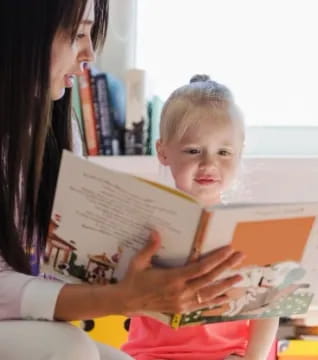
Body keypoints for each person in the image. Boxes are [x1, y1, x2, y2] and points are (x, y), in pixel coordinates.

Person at [0, 2, 244, 359]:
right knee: (70, 349)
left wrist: (140, 283)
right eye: (78, 34)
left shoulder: (54, 131)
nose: (89, 54)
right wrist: (120, 297)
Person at [122, 75, 278, 360]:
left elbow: (269, 310)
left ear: (239, 153)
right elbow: (123, 302)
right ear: (163, 152)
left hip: (231, 355)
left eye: (224, 152)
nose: (209, 164)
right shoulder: (145, 228)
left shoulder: (249, 228)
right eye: (193, 151)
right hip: (153, 355)